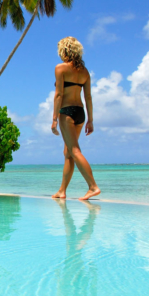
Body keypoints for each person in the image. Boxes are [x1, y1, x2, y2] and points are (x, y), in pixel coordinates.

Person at [51, 37, 101, 200]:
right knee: (68, 152)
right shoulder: (84, 72)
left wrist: (54, 119)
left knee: (74, 150)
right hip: (80, 113)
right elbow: (88, 98)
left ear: (63, 51)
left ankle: (93, 187)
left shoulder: (61, 68)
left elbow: (59, 94)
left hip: (66, 112)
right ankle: (62, 191)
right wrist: (90, 120)